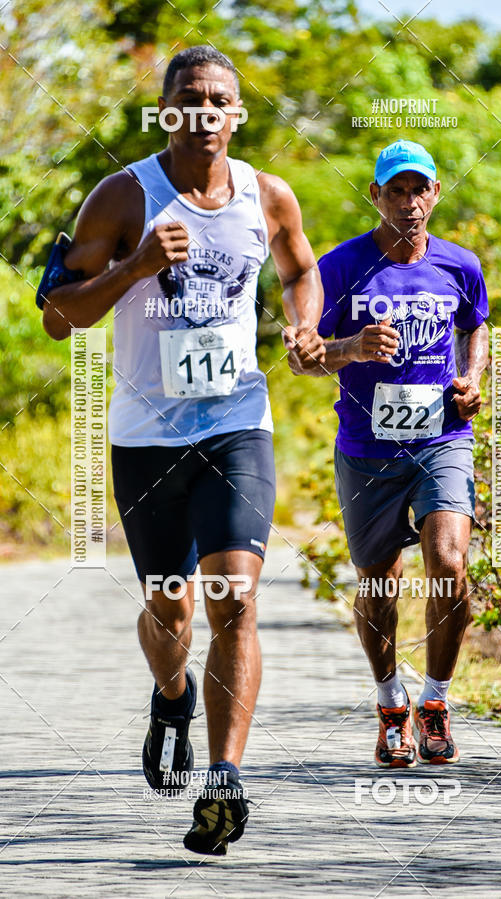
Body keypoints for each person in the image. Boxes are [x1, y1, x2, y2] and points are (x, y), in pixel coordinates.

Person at [41, 44, 324, 854]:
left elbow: (300, 266)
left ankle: (226, 778)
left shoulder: (268, 196)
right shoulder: (124, 194)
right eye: (189, 99)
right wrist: (132, 268)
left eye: (219, 101)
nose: (205, 113)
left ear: (238, 114)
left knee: (234, 596)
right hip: (144, 437)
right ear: (167, 111)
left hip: (236, 423)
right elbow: (60, 316)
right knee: (171, 605)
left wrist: (303, 323)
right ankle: (173, 692)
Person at [286, 139, 489, 767]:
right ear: (375, 196)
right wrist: (352, 348)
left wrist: (472, 378)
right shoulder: (339, 267)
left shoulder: (460, 265)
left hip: (441, 439)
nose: (408, 202)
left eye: (418, 190)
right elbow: (303, 356)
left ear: (434, 194)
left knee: (449, 562)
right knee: (379, 580)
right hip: (369, 448)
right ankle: (390, 702)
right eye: (394, 191)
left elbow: (475, 325)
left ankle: (435, 702)